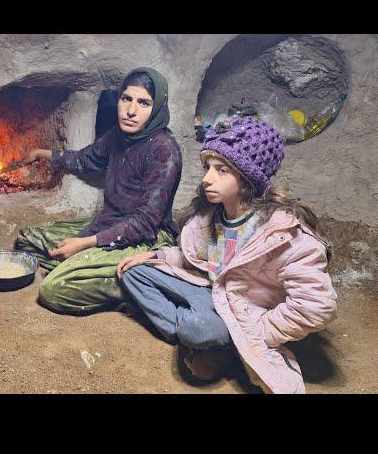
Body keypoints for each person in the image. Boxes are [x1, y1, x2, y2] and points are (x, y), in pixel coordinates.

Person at [117, 115, 337, 394]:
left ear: (247, 176)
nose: (207, 179)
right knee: (134, 274)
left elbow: (316, 306)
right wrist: (157, 258)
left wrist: (259, 331)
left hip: (244, 311)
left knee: (197, 329)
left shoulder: (283, 234)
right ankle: (215, 343)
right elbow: (197, 260)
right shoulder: (213, 215)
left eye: (221, 170)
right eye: (207, 167)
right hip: (207, 290)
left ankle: (211, 340)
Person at [14, 67, 182, 315]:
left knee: (52, 289)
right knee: (27, 240)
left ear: (157, 107)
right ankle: (82, 269)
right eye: (126, 99)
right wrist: (42, 153)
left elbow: (145, 222)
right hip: (108, 224)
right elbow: (86, 159)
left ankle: (137, 285)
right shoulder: (119, 135)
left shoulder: (164, 151)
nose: (131, 110)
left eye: (144, 103)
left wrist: (84, 244)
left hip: (144, 239)